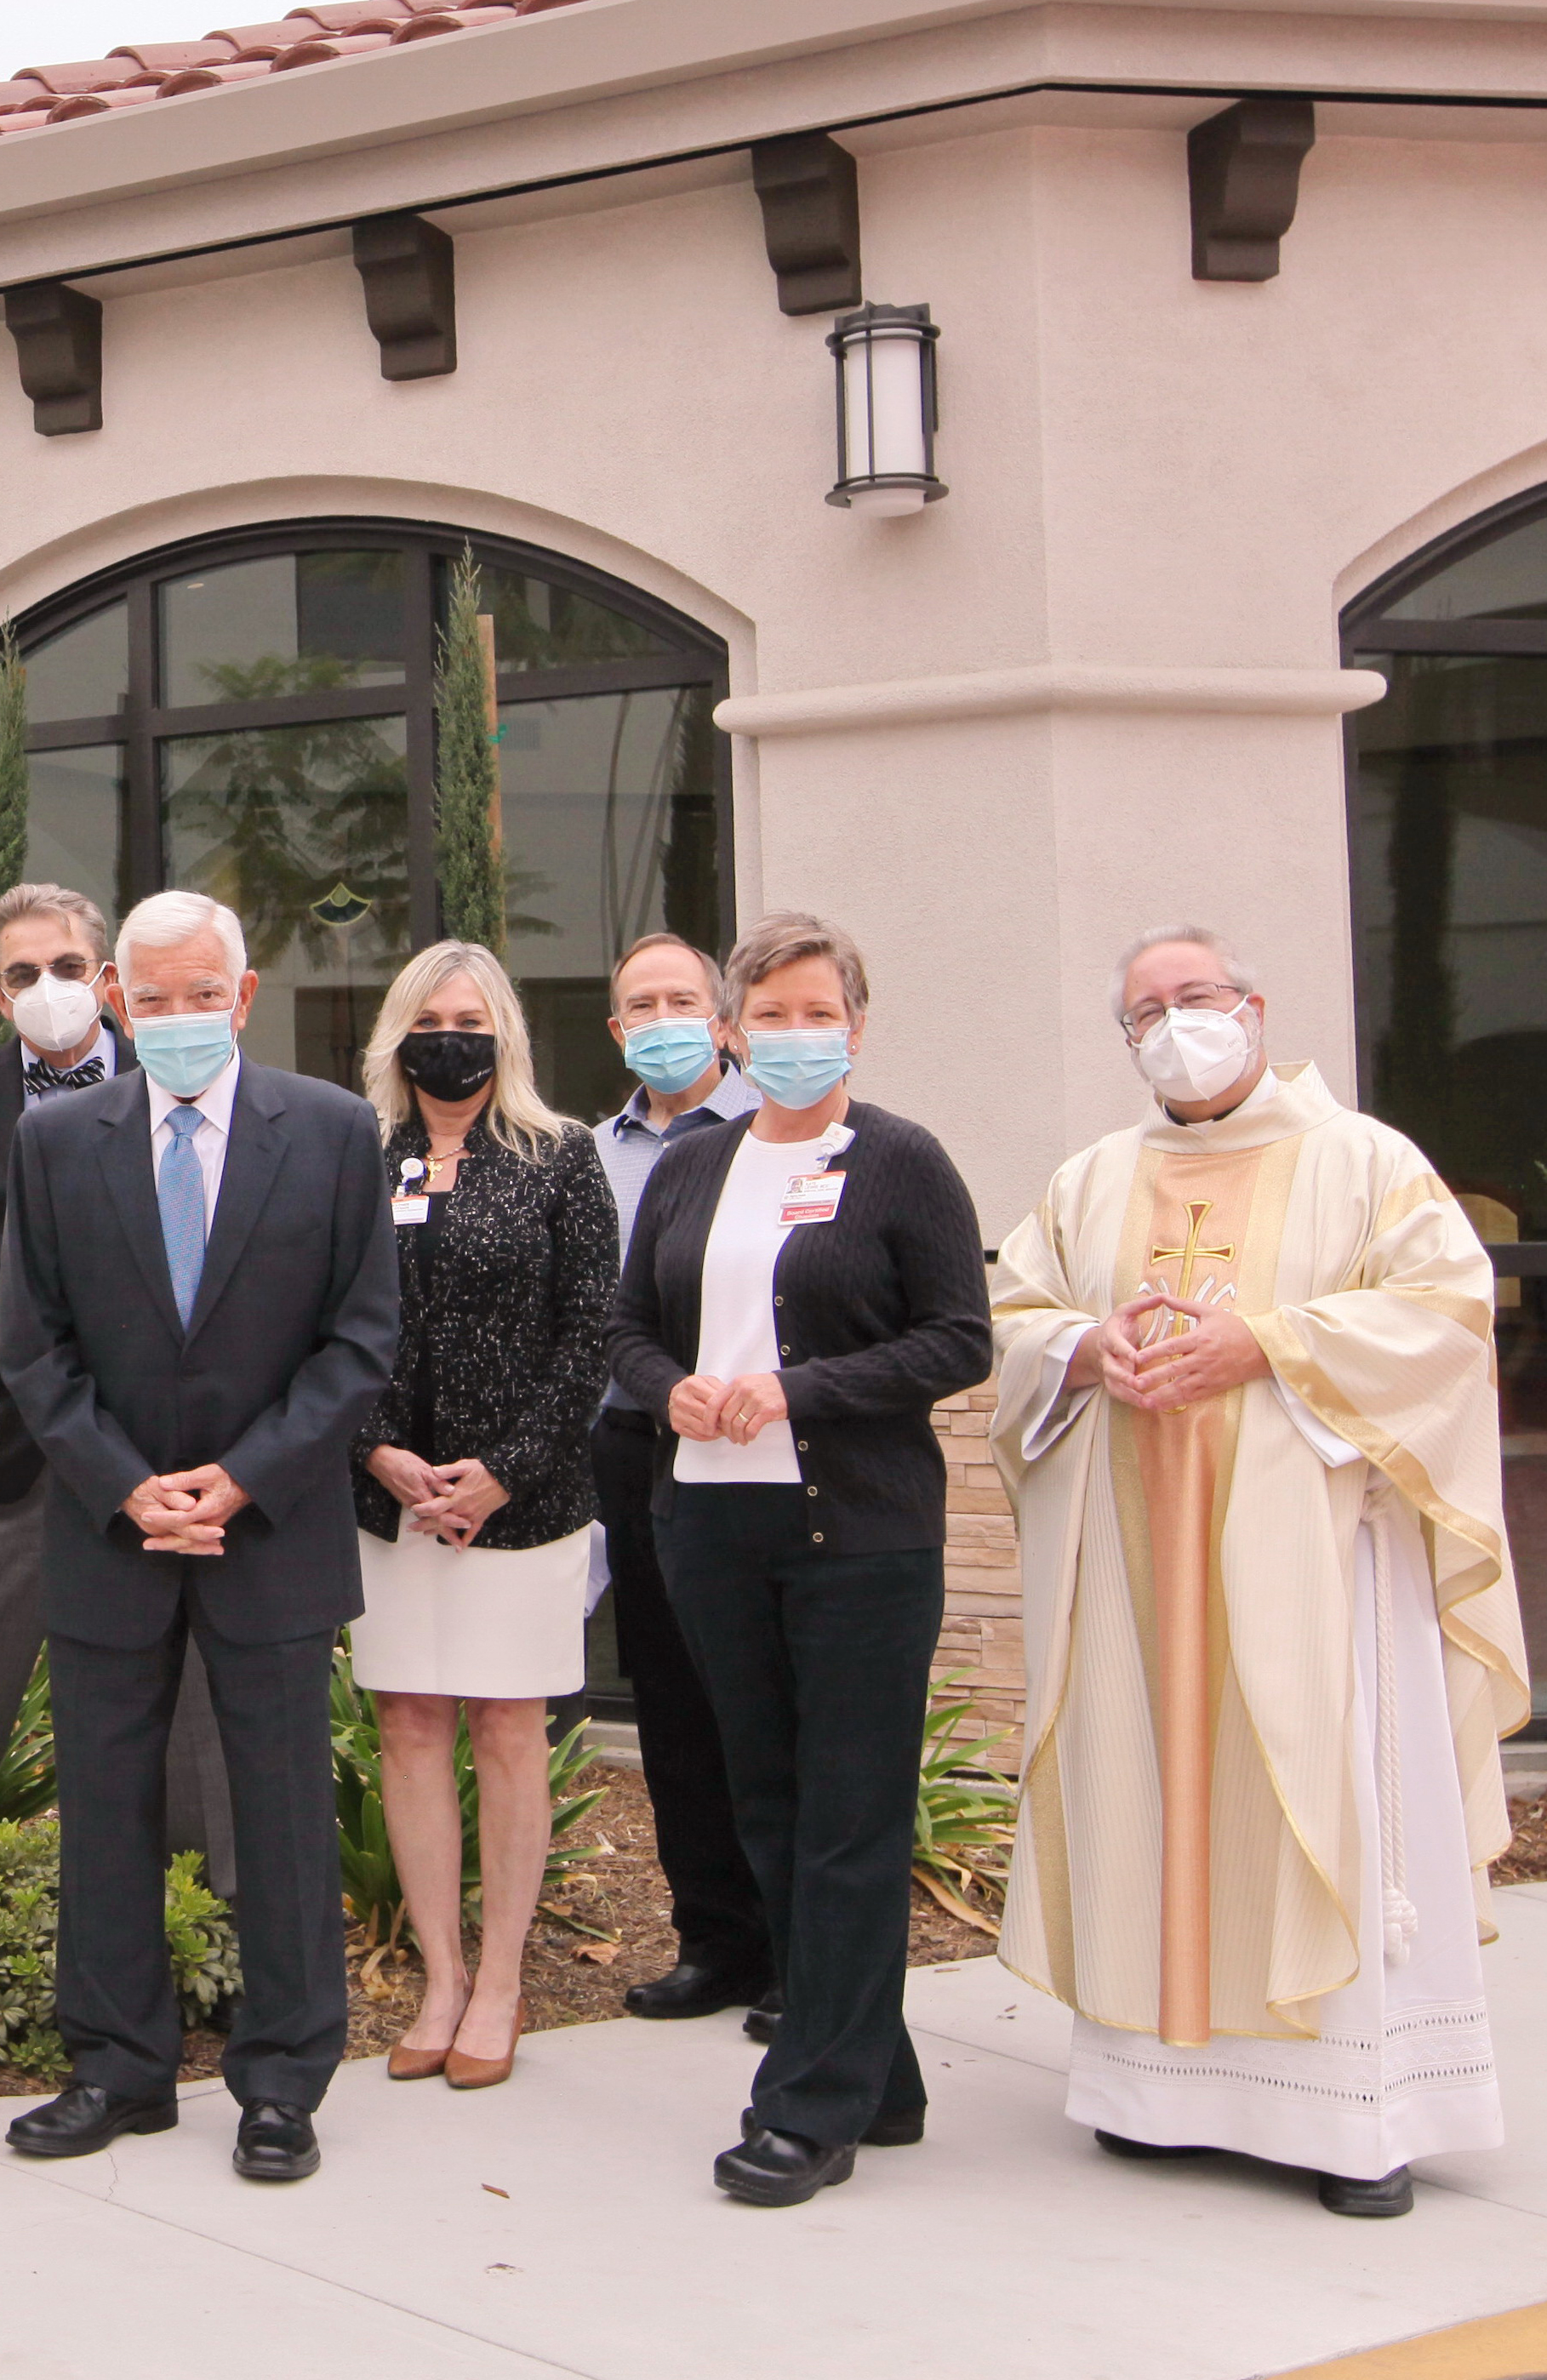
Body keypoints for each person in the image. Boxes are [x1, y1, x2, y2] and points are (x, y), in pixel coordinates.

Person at [990, 925, 1523, 2218]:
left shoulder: (1364, 1160)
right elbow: (1014, 1309)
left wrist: (1266, 1344)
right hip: (1134, 1565)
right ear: (1126, 1042)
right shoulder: (1093, 1177)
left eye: (1196, 996)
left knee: (1319, 1793)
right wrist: (1078, 1352)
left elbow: (1445, 1311)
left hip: (1318, 1572)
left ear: (1253, 1006)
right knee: (1146, 1783)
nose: (1176, 1023)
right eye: (1146, 1011)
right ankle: (1157, 2095)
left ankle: (1360, 2118)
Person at [0, 888, 397, 2184]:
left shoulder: (335, 1133)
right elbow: (32, 1344)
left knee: (278, 1809)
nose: (175, 1017)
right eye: (149, 996)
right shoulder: (57, 1139)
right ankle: (115, 2065)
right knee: (104, 1804)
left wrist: (244, 1473)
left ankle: (281, 2082)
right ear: (117, 996)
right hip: (108, 1531)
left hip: (268, 1529)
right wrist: (123, 1484)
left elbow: (360, 1339)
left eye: (198, 993)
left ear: (244, 993)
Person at [604, 910, 989, 2208]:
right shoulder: (690, 1168)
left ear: (857, 1027)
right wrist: (669, 1395)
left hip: (858, 1538)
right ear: (731, 1031)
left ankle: (804, 2102)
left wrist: (799, 1388)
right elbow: (626, 1328)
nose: (789, 1035)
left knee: (847, 1817)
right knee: (765, 1805)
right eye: (765, 1014)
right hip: (709, 1525)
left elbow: (957, 1338)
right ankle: (877, 2079)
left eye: (814, 1012)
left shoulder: (900, 1161)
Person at [349, 939, 619, 2092]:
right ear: (397, 1033)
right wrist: (377, 1450)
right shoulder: (355, 1157)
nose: (450, 1033)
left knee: (509, 1727)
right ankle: (441, 1976)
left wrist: (501, 1468)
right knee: (409, 1721)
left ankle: (501, 1979)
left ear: (502, 1032)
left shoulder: (559, 1156)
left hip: (524, 1500)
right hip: (387, 1499)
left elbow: (590, 1331)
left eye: (471, 1015)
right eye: (430, 1014)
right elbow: (321, 1320)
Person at [0, 882, 162, 1832]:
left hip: (157, 1444)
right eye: (24, 974)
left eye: (67, 968)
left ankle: (196, 1931)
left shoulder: (179, 1083)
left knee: (173, 1705)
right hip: (3, 1449)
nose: (49, 988)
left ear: (104, 978)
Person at [586, 932, 773, 2034]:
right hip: (633, 1443)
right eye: (637, 1004)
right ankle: (713, 1939)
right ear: (614, 1029)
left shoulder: (782, 1132)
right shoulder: (587, 1151)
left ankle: (797, 1943)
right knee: (669, 1701)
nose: (660, 1018)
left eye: (680, 999)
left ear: (722, 1017)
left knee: (760, 1696)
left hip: (758, 1447)